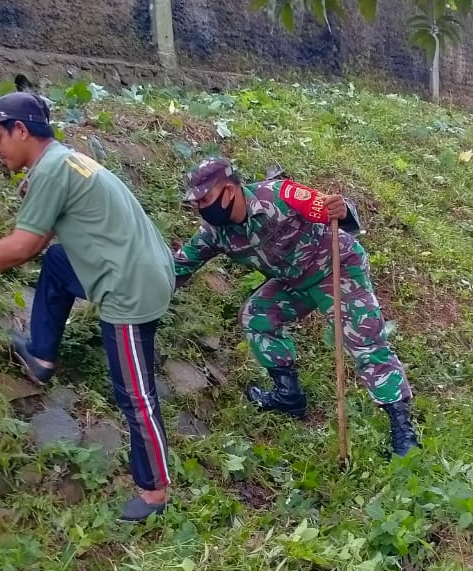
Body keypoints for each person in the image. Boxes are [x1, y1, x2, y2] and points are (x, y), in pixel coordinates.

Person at [0, 92, 176, 524]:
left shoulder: (53, 168)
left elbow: (23, 245)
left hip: (130, 285)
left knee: (136, 394)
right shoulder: (61, 162)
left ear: (22, 130)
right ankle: (41, 355)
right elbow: (41, 243)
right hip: (138, 265)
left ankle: (155, 491)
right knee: (58, 261)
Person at [173, 158, 419, 457]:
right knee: (258, 315)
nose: (201, 207)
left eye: (205, 199)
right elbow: (180, 267)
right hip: (294, 281)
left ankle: (402, 430)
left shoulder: (279, 195)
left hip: (335, 267)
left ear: (230, 190)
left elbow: (331, 209)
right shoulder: (215, 233)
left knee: (364, 338)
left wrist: (341, 210)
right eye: (195, 202)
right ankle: (288, 395)